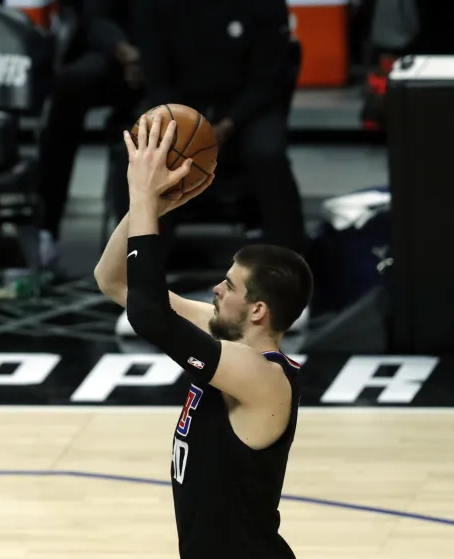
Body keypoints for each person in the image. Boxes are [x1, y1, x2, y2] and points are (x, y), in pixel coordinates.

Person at [94, 114, 311, 559]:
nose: (216, 288)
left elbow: (151, 318)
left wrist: (140, 189)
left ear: (257, 310)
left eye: (229, 286)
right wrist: (151, 208)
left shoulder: (261, 378)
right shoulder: (225, 342)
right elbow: (114, 281)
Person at [128, 0, 307, 256]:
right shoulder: (156, 6)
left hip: (248, 109)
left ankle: (290, 262)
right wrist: (190, 126)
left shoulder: (266, 5)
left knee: (267, 152)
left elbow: (268, 80)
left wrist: (229, 123)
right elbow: (157, 79)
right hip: (182, 109)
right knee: (148, 151)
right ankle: (142, 264)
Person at [36, 0, 144, 267]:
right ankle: (47, 227)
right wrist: (125, 52)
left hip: (180, 52)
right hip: (121, 54)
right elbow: (96, 18)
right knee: (70, 86)